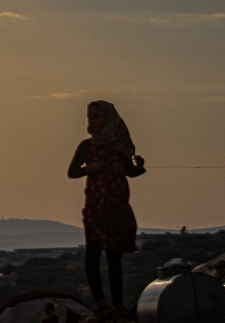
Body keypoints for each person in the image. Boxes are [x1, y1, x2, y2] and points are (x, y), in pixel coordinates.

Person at [67, 101, 146, 316]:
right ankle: (100, 302)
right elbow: (72, 172)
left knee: (114, 257)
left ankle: (118, 304)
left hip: (117, 209)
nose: (91, 121)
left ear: (108, 120)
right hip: (95, 207)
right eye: (89, 117)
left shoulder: (119, 148)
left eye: (96, 117)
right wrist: (89, 169)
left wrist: (140, 167)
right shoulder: (86, 146)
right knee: (93, 253)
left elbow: (131, 172)